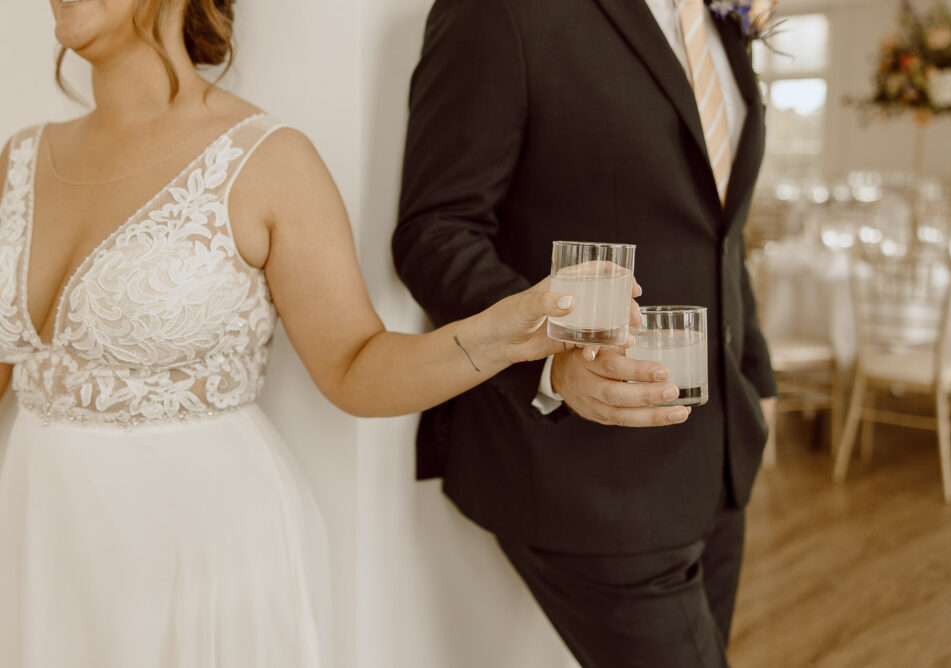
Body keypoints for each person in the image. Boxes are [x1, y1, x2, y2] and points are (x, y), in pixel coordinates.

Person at [0, 1, 612, 666]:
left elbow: (355, 364)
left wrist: (505, 334)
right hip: (42, 537)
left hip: (202, 555)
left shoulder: (267, 160)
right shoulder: (19, 160)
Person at [393, 0, 778, 665]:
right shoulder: (501, 12)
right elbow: (436, 232)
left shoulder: (720, 15)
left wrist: (756, 378)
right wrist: (553, 363)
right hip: (586, 473)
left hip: (718, 460)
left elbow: (720, 232)